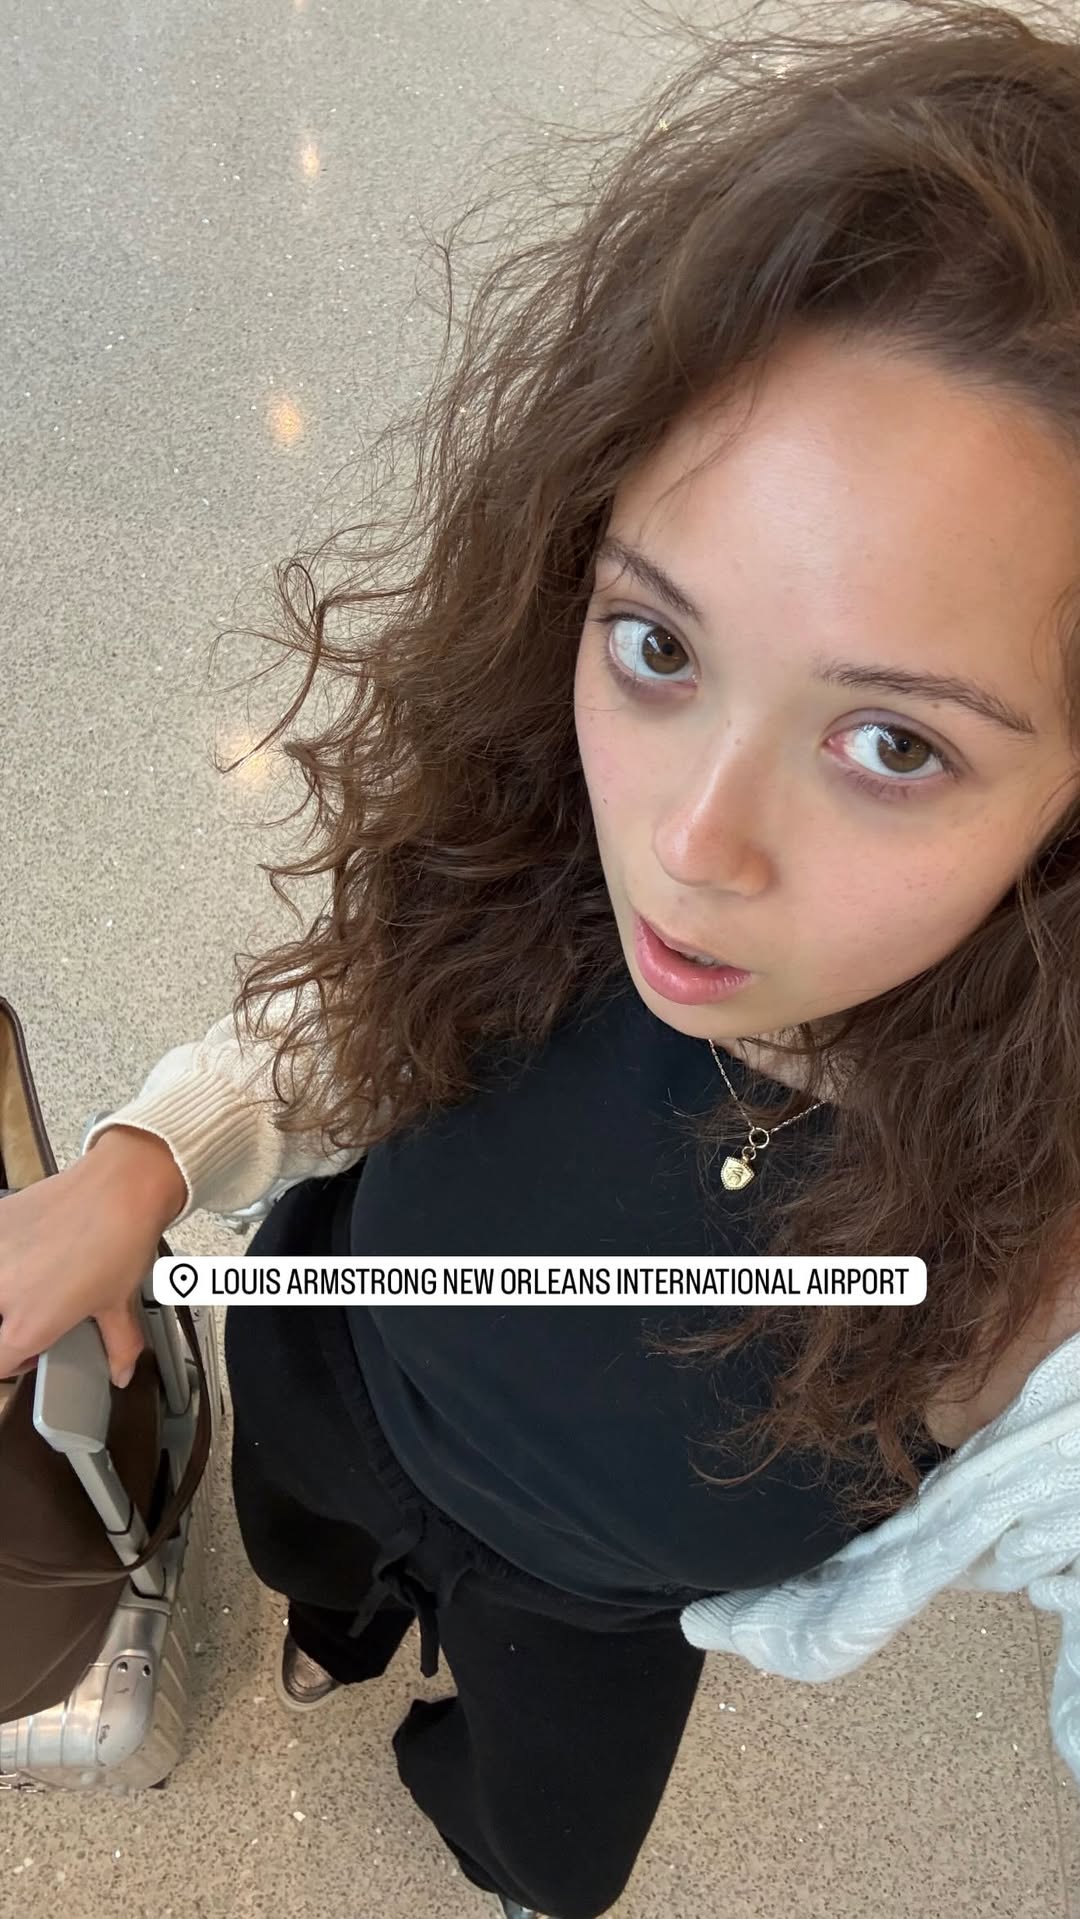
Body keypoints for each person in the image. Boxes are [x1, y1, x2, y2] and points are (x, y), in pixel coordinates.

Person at [6, 4, 1080, 1913]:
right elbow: (346, 1024)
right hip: (346, 1353)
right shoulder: (537, 848)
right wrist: (144, 1162)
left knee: (547, 1838)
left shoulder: (1042, 1217)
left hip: (601, 1596)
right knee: (312, 1560)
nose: (689, 845)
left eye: (893, 743)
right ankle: (342, 1624)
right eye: (660, 646)